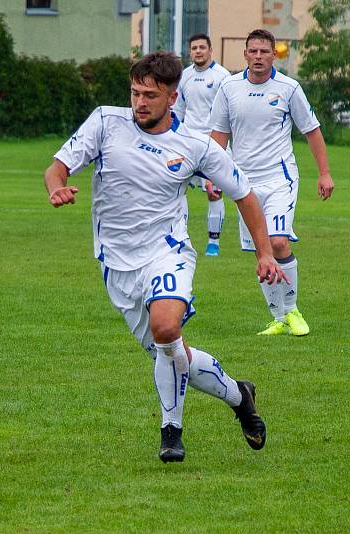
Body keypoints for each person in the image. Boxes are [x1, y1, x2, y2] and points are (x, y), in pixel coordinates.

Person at [44, 52, 287, 462]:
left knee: (165, 326)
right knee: (172, 350)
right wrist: (57, 187)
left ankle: (170, 431)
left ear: (172, 97)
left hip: (168, 252)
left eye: (150, 95)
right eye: (135, 93)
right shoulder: (106, 122)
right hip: (116, 264)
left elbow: (244, 193)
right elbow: (58, 167)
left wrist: (264, 253)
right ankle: (239, 395)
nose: (140, 102)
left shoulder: (195, 146)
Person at [209, 29, 335, 336]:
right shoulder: (228, 88)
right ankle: (278, 318)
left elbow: (312, 130)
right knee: (261, 250)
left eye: (264, 52)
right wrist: (214, 175)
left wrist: (324, 173)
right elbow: (218, 136)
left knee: (278, 242)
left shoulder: (289, 88)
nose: (258, 57)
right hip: (243, 183)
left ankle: (292, 311)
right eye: (253, 51)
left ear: (273, 55)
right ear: (245, 55)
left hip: (280, 177)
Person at [172, 33, 232, 257]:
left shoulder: (222, 76)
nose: (198, 51)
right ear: (190, 52)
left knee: (214, 192)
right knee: (177, 190)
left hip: (214, 143)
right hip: (187, 143)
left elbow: (229, 112)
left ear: (210, 51)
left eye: (202, 47)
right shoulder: (184, 76)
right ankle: (180, 237)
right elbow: (178, 111)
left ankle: (213, 242)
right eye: (194, 48)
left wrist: (222, 144)